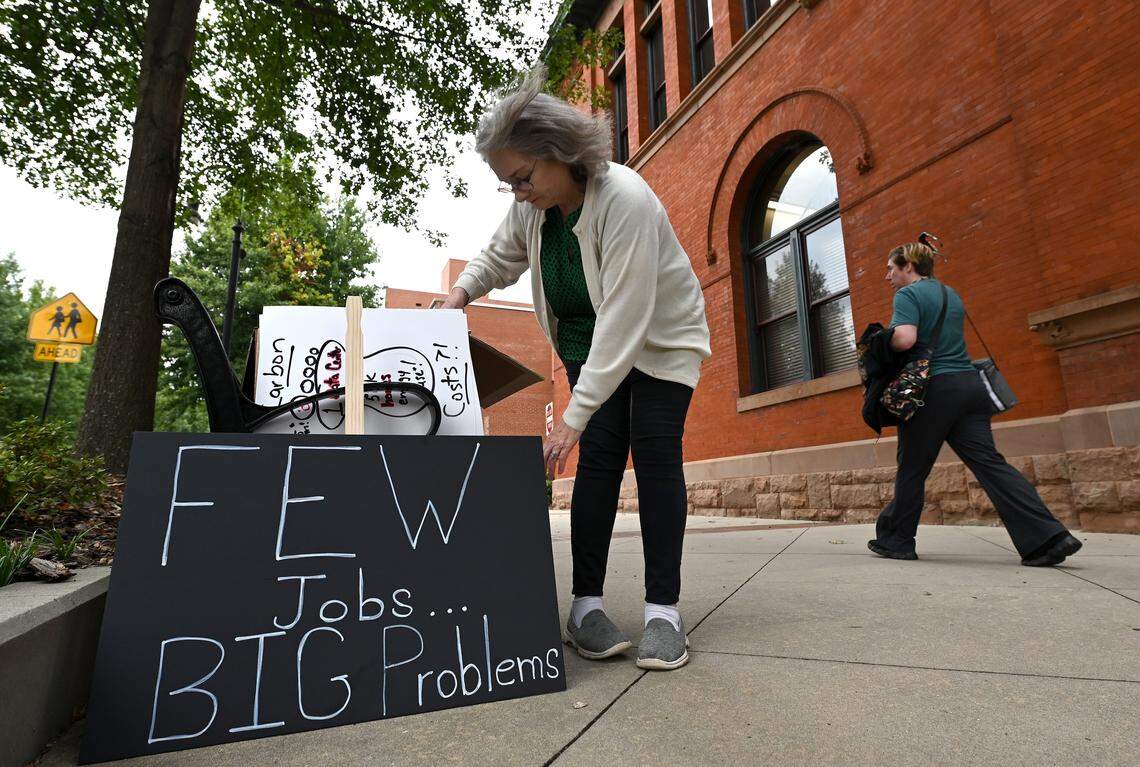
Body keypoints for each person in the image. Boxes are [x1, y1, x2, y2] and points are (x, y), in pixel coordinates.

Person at [440, 68, 711, 670]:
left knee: (657, 453)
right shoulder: (533, 208)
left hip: (659, 343)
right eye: (508, 183)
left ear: (559, 153)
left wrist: (571, 417)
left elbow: (625, 317)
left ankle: (663, 612)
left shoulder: (626, 200)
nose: (518, 191)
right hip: (591, 349)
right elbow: (498, 255)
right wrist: (459, 295)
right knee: (599, 467)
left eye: (522, 177)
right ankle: (585, 606)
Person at [868, 237, 1082, 566]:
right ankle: (1048, 538)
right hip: (970, 387)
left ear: (907, 266)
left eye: (890, 269)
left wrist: (879, 340)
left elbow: (906, 339)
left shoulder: (907, 294)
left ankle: (897, 540)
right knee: (991, 464)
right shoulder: (950, 293)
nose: (887, 277)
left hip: (933, 391)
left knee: (912, 468)